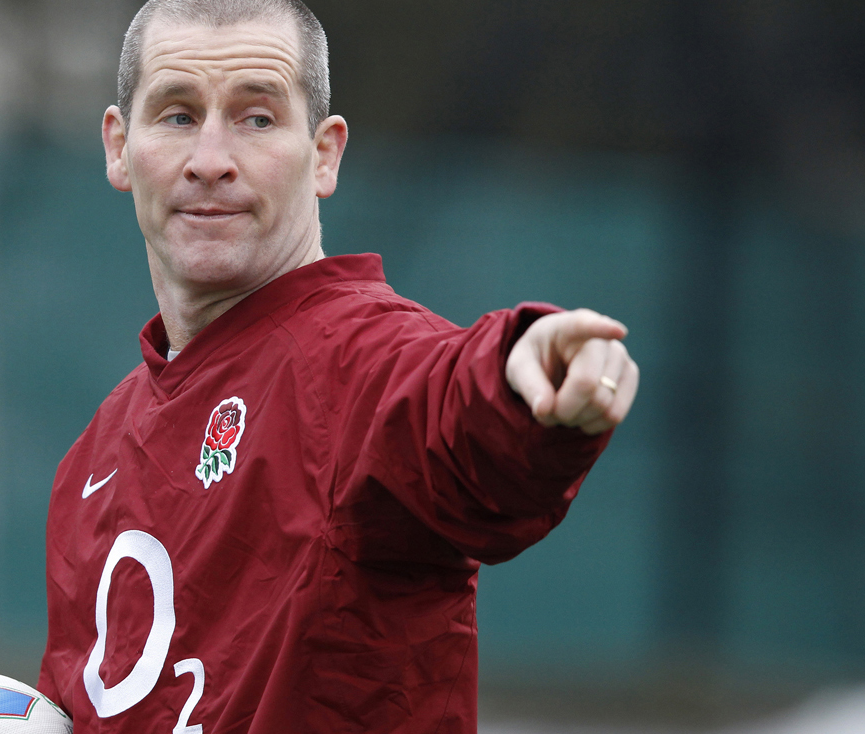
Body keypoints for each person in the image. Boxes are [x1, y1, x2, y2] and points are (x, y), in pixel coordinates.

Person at [36, 1, 639, 731]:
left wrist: (522, 370)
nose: (211, 160)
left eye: (257, 119)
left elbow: (450, 407)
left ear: (324, 155)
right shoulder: (90, 461)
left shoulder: (358, 360)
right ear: (118, 146)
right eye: (177, 115)